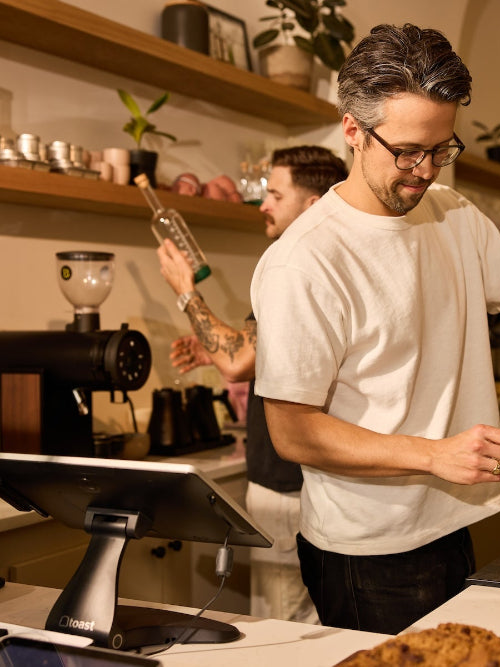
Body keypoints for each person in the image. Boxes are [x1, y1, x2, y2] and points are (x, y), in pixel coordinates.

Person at [250, 24, 500, 635]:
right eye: (407, 151)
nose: (425, 171)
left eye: (441, 149)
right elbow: (292, 432)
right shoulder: (306, 261)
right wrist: (434, 455)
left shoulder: (454, 214)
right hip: (367, 552)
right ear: (353, 130)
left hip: (453, 521)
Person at [156, 145, 348, 624]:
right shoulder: (340, 264)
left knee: (286, 626)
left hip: (286, 486)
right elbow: (271, 351)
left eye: (274, 194)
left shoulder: (293, 265)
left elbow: (239, 362)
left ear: (311, 205)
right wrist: (216, 348)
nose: (262, 204)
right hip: (331, 481)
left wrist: (185, 290)